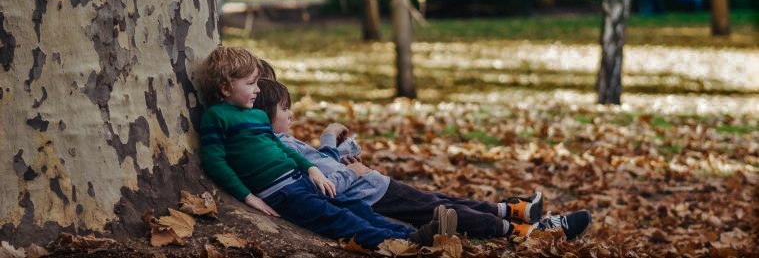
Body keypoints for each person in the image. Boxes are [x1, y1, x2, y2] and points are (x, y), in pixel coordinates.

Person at [252, 77, 593, 241]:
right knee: (444, 212)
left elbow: (326, 166)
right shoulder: (277, 146)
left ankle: (513, 210)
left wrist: (341, 153)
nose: (292, 115)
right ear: (265, 114)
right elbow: (326, 180)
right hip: (371, 194)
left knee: (443, 200)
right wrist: (337, 150)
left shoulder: (280, 140)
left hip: (374, 185)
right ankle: (529, 232)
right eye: (285, 109)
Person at [197, 46, 457, 249]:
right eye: (250, 83)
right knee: (338, 219)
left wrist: (311, 169)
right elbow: (215, 162)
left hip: (301, 180)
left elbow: (283, 148)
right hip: (281, 193)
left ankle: (415, 234)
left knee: (355, 208)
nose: (257, 89)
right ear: (225, 86)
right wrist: (247, 196)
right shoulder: (217, 117)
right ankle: (402, 244)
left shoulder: (256, 115)